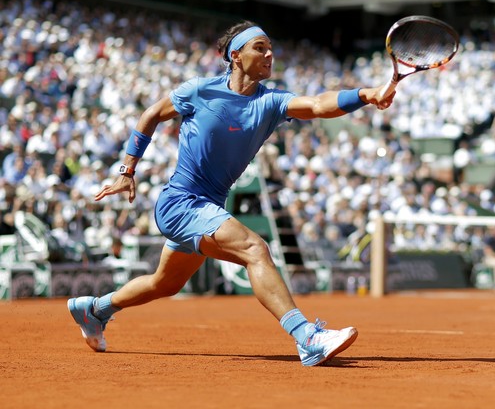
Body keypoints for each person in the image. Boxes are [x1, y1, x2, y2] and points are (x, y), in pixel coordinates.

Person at [67, 21, 395, 366]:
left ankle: (94, 309)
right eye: (260, 48)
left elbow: (317, 104)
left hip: (207, 206)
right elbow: (151, 115)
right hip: (180, 203)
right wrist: (126, 170)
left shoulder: (270, 102)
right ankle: (307, 337)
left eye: (271, 48)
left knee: (164, 284)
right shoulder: (199, 90)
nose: (270, 54)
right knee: (256, 248)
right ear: (235, 55)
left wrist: (365, 95)